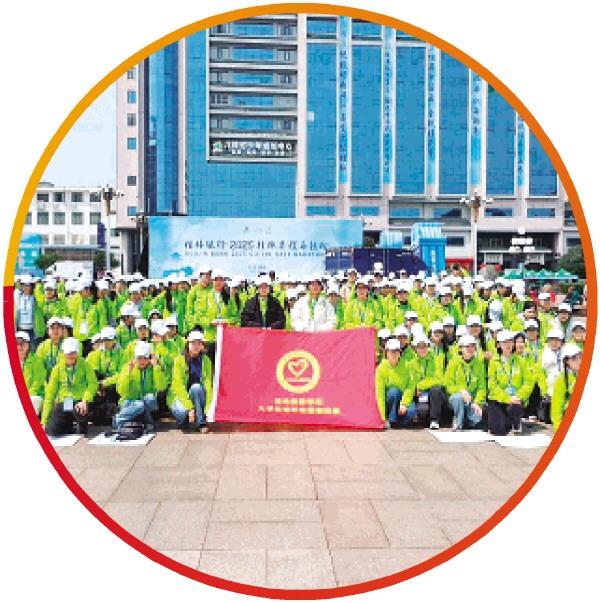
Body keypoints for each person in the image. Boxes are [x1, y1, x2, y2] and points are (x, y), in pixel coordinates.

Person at [42, 337, 98, 436]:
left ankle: (82, 425)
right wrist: (44, 421)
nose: (71, 355)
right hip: (66, 401)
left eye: (73, 352)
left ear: (78, 352)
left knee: (80, 418)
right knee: (52, 431)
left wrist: (85, 400)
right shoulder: (57, 369)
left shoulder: (85, 365)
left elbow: (92, 384)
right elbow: (50, 394)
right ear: (63, 352)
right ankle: (68, 425)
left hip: (80, 401)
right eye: (68, 353)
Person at [487, 330, 533, 435]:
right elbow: (492, 384)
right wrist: (507, 398)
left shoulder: (521, 361)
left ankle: (515, 422)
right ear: (498, 345)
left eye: (510, 341)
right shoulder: (494, 362)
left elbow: (528, 382)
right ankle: (507, 422)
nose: (508, 345)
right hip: (498, 399)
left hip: (516, 399)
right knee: (498, 431)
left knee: (514, 408)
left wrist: (519, 396)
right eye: (504, 342)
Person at [114, 340, 167, 432]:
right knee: (139, 405)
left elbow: (161, 387)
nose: (142, 361)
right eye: (139, 358)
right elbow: (121, 391)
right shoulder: (127, 368)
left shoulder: (153, 368)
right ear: (135, 357)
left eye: (145, 358)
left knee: (150, 399)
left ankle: (143, 422)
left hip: (144, 403)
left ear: (150, 358)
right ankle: (118, 420)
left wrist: (156, 368)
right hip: (129, 402)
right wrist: (128, 374)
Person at [167, 330, 213, 432]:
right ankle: (183, 420)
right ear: (187, 344)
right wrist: (190, 408)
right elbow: (178, 387)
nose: (196, 346)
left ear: (202, 345)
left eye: (199, 343)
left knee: (197, 388)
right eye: (193, 343)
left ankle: (200, 423)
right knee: (182, 412)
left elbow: (208, 385)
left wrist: (208, 409)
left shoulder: (206, 360)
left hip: (196, 394)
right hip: (178, 396)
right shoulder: (179, 360)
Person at [401, 335, 445, 429]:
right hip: (419, 394)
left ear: (428, 347)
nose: (422, 349)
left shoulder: (436, 360)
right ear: (415, 348)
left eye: (424, 346)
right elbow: (410, 383)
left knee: (436, 390)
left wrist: (421, 385)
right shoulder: (411, 363)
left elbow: (440, 379)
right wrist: (406, 401)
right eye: (419, 347)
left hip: (432, 393)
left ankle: (434, 420)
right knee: (422, 411)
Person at [445, 334, 486, 430]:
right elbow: (448, 385)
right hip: (456, 398)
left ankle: (465, 418)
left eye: (472, 346)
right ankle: (458, 422)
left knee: (476, 418)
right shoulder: (453, 362)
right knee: (458, 398)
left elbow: (482, 387)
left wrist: (477, 402)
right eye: (467, 346)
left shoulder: (479, 364)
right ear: (460, 349)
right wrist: (461, 391)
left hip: (472, 400)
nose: (470, 349)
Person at [375, 338, 414, 428]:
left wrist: (404, 403)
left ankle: (399, 421)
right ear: (386, 353)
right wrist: (381, 418)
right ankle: (392, 420)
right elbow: (380, 394)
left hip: (402, 398)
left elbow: (410, 387)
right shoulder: (381, 369)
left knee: (412, 412)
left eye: (396, 351)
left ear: (400, 353)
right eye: (391, 351)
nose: (394, 354)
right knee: (394, 391)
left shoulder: (407, 366)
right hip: (390, 400)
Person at [551, 343, 582, 432]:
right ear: (566, 361)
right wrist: (559, 428)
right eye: (574, 359)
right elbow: (557, 406)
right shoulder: (562, 379)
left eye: (581, 357)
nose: (579, 361)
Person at [16, 331, 46, 417]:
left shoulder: (37, 361)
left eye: (23, 343)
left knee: (33, 400)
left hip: (33, 395)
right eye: (17, 343)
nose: (20, 346)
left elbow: (38, 383)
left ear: (29, 345)